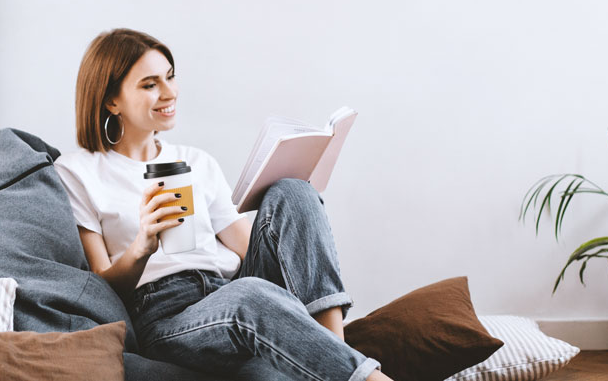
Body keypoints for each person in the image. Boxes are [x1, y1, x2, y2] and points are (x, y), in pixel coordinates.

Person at [54, 28, 393, 381]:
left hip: (227, 286)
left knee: (294, 190)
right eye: (150, 84)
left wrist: (297, 217)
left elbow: (245, 246)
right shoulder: (79, 172)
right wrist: (142, 246)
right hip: (165, 315)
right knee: (250, 295)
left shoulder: (196, 161)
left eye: (170, 77)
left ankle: (333, 350)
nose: (170, 93)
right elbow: (100, 287)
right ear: (112, 100)